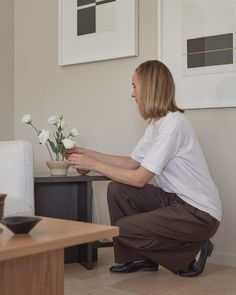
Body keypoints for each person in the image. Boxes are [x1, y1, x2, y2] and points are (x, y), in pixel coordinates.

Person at [65, 60, 222, 276]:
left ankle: (193, 250)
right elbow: (132, 162)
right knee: (117, 189)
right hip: (174, 200)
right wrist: (87, 153)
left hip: (199, 213)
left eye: (134, 86)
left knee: (121, 230)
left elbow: (140, 178)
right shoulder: (156, 124)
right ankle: (140, 259)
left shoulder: (174, 124)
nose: (132, 94)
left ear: (149, 88)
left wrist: (93, 165)